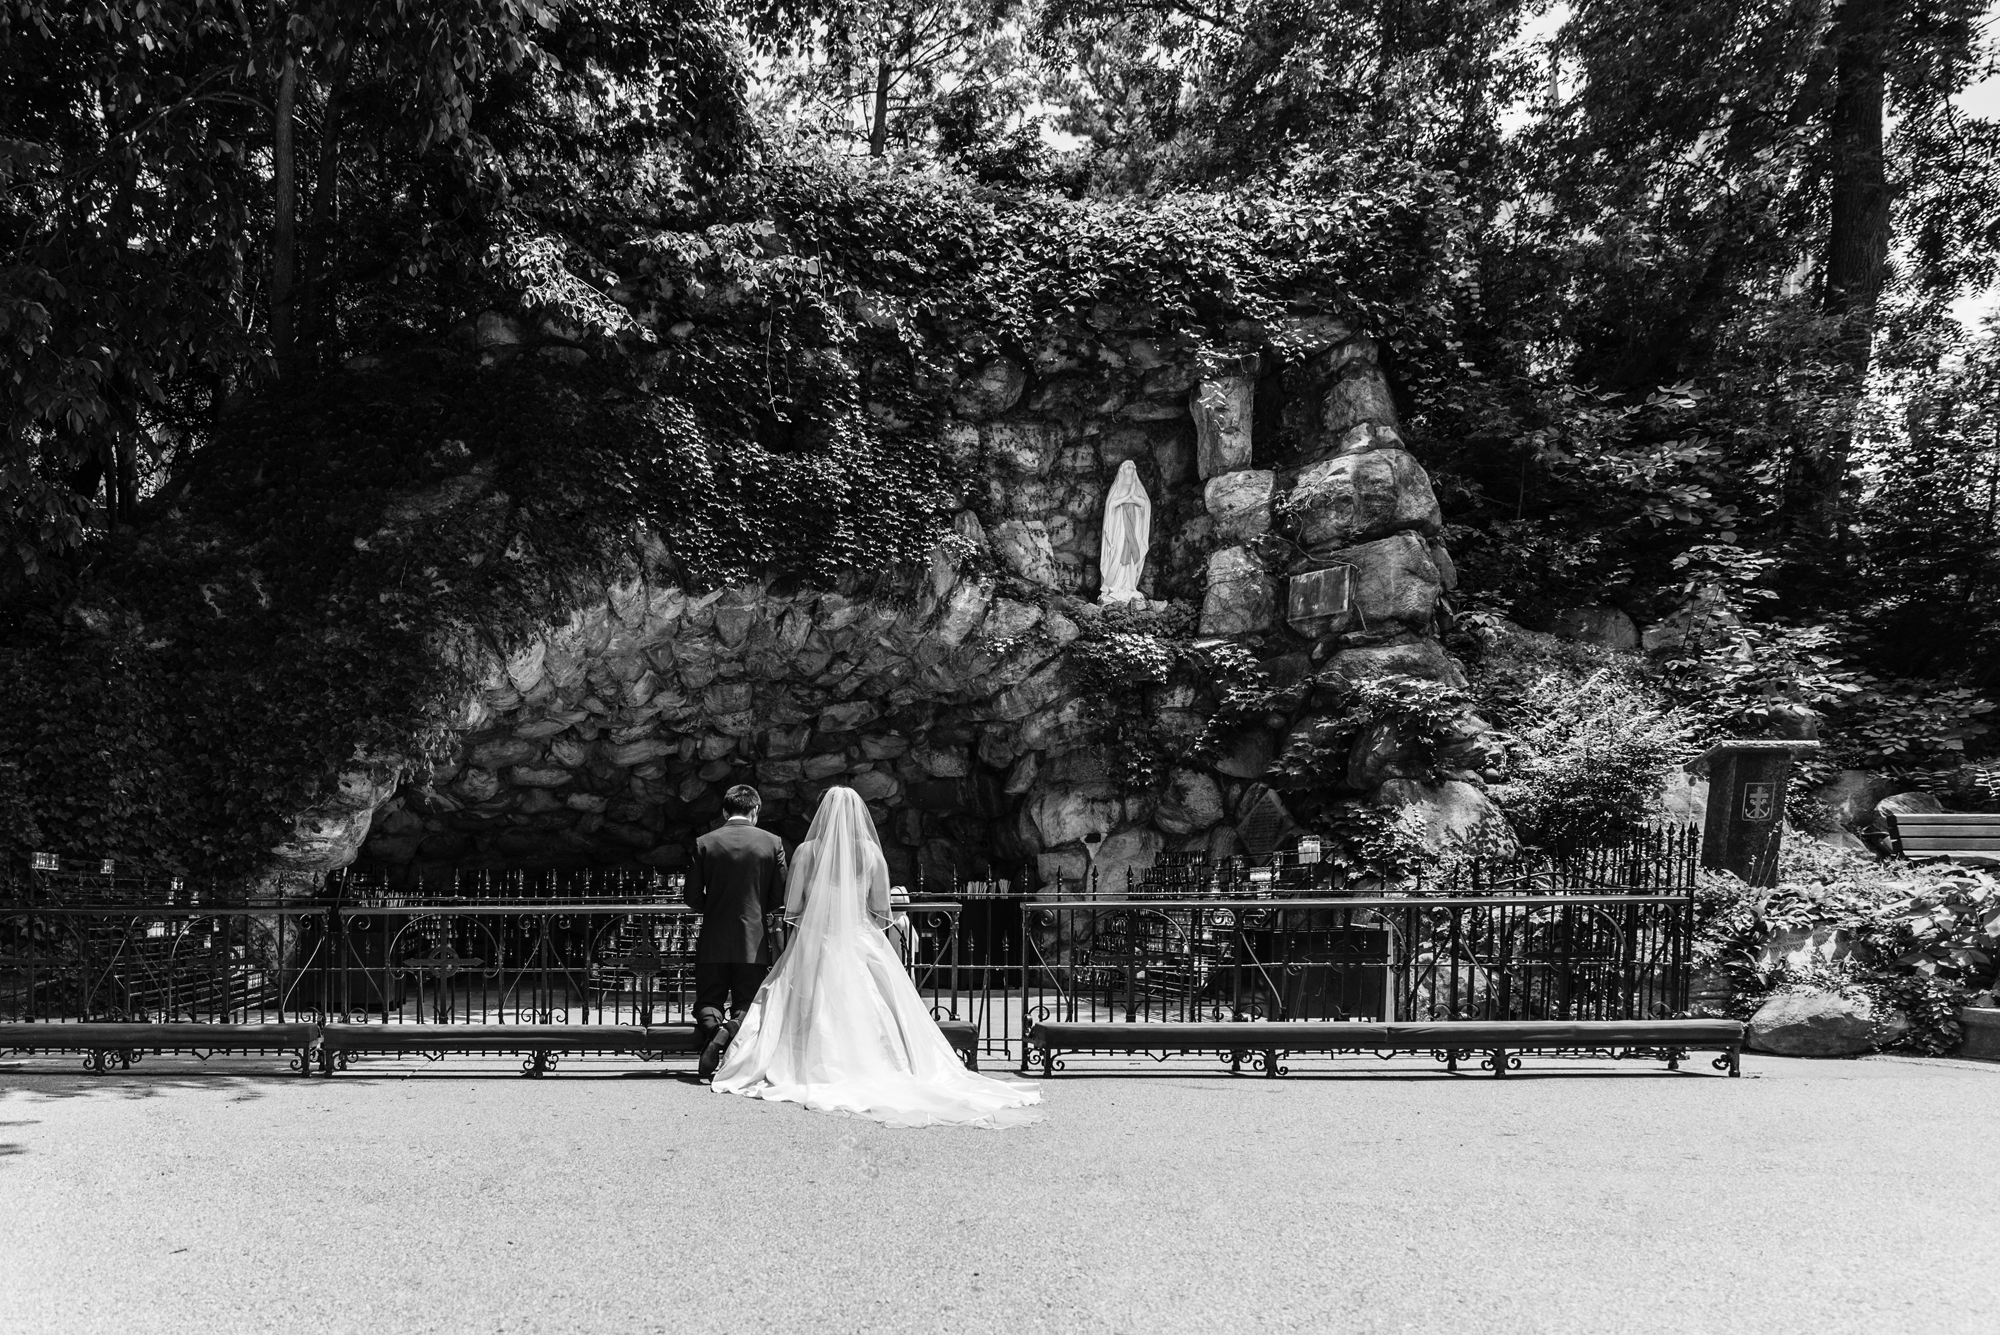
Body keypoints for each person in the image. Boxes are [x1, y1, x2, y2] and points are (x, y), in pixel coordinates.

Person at [712, 787, 1043, 1128]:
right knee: (875, 1007)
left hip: (815, 941)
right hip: (859, 939)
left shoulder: (807, 852)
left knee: (801, 1004)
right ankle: (874, 1063)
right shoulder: (870, 852)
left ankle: (805, 1062)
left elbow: (793, 906)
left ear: (822, 815)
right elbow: (881, 905)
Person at [681, 785, 787, 1077]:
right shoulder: (772, 843)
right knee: (747, 1002)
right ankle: (730, 1033)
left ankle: (716, 1030)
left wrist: (714, 908)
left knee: (707, 1000)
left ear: (725, 812)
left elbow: (691, 896)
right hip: (753, 939)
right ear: (754, 811)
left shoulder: (705, 842)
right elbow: (779, 897)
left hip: (713, 936)